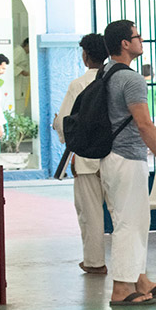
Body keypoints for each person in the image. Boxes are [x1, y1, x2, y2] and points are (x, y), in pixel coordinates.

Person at [100, 20, 156, 306]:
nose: (141, 40)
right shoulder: (131, 79)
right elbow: (144, 124)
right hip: (126, 157)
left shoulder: (107, 72)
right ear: (125, 43)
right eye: (137, 36)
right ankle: (121, 288)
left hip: (112, 157)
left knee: (136, 220)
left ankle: (140, 280)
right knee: (129, 223)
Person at [53, 34, 109, 275]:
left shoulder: (78, 84)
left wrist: (58, 127)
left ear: (85, 56)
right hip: (115, 156)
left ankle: (95, 262)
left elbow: (63, 122)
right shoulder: (115, 80)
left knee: (90, 214)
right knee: (121, 213)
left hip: (86, 159)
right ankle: (131, 267)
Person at [13, 38, 30, 115]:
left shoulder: (22, 52)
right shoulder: (19, 51)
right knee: (19, 104)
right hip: (18, 82)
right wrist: (22, 72)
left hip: (22, 83)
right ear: (27, 45)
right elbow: (11, 64)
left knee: (22, 103)